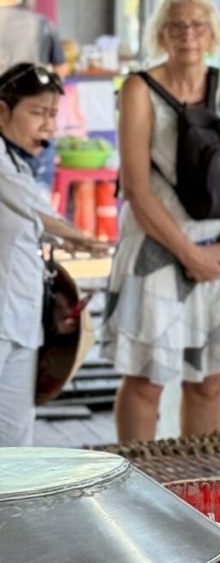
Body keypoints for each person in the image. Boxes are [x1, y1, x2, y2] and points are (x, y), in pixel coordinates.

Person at [100, 0, 220, 442]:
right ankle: (136, 478)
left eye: (197, 25)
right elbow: (136, 188)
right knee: (146, 380)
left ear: (212, 32)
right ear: (162, 34)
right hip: (158, 247)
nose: (188, 34)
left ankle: (197, 478)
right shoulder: (139, 89)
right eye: (177, 25)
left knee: (208, 381)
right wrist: (191, 253)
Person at [0, 62, 107, 446]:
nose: (47, 126)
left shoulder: (20, 161)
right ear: (2, 110)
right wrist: (80, 237)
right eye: (37, 113)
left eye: (52, 115)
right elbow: (30, 207)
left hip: (22, 320)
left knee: (15, 443)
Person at [0, 0, 69, 191]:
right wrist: (44, 107)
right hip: (31, 122)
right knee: (36, 194)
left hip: (9, 118)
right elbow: (60, 70)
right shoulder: (41, 24)